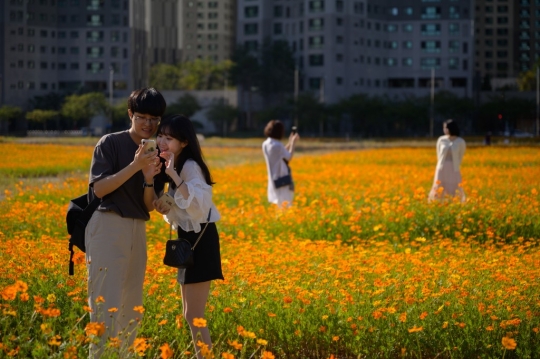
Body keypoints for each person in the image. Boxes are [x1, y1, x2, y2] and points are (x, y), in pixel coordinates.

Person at [85, 88, 166, 358]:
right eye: (142, 117)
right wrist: (134, 165)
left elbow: (148, 206)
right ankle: (99, 355)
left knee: (132, 304)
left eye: (154, 119)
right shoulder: (110, 143)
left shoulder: (160, 152)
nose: (148, 124)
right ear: (130, 114)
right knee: (104, 301)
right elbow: (99, 190)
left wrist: (148, 176)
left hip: (137, 227)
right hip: (107, 224)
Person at [153, 114, 223, 359]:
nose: (162, 141)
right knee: (189, 314)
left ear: (184, 142)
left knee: (195, 314)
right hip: (187, 238)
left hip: (200, 241)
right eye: (160, 135)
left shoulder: (189, 166)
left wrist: (173, 174)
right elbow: (181, 207)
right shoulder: (173, 164)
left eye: (169, 138)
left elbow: (200, 206)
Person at [262, 120, 300, 207]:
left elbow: (280, 152)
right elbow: (288, 156)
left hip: (273, 177)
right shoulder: (278, 145)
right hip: (282, 177)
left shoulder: (265, 143)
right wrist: (293, 143)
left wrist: (290, 143)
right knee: (285, 203)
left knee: (278, 202)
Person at [428, 119, 466, 202]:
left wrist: (455, 165)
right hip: (441, 168)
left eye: (445, 128)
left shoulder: (460, 141)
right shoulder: (441, 140)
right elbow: (439, 154)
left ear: (451, 128)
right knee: (439, 186)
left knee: (455, 186)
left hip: (454, 168)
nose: (444, 130)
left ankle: (455, 202)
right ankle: (438, 203)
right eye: (444, 128)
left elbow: (461, 156)